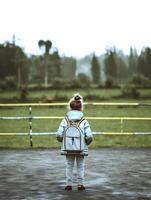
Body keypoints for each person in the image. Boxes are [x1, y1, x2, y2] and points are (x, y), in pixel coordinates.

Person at [56, 93, 93, 191]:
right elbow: (89, 136)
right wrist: (86, 143)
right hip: (81, 148)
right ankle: (80, 185)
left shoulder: (65, 120)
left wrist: (63, 141)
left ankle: (68, 184)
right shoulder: (84, 121)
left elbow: (59, 135)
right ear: (81, 108)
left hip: (68, 148)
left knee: (69, 166)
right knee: (80, 166)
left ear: (70, 108)